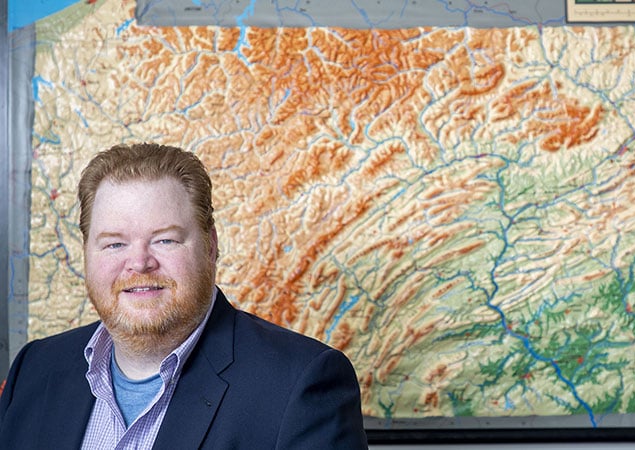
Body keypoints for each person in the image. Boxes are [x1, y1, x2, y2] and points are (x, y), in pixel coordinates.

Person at [0, 143, 369, 449]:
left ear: (210, 247)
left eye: (165, 240)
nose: (139, 263)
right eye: (114, 243)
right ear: (86, 253)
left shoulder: (300, 385)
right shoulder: (35, 370)